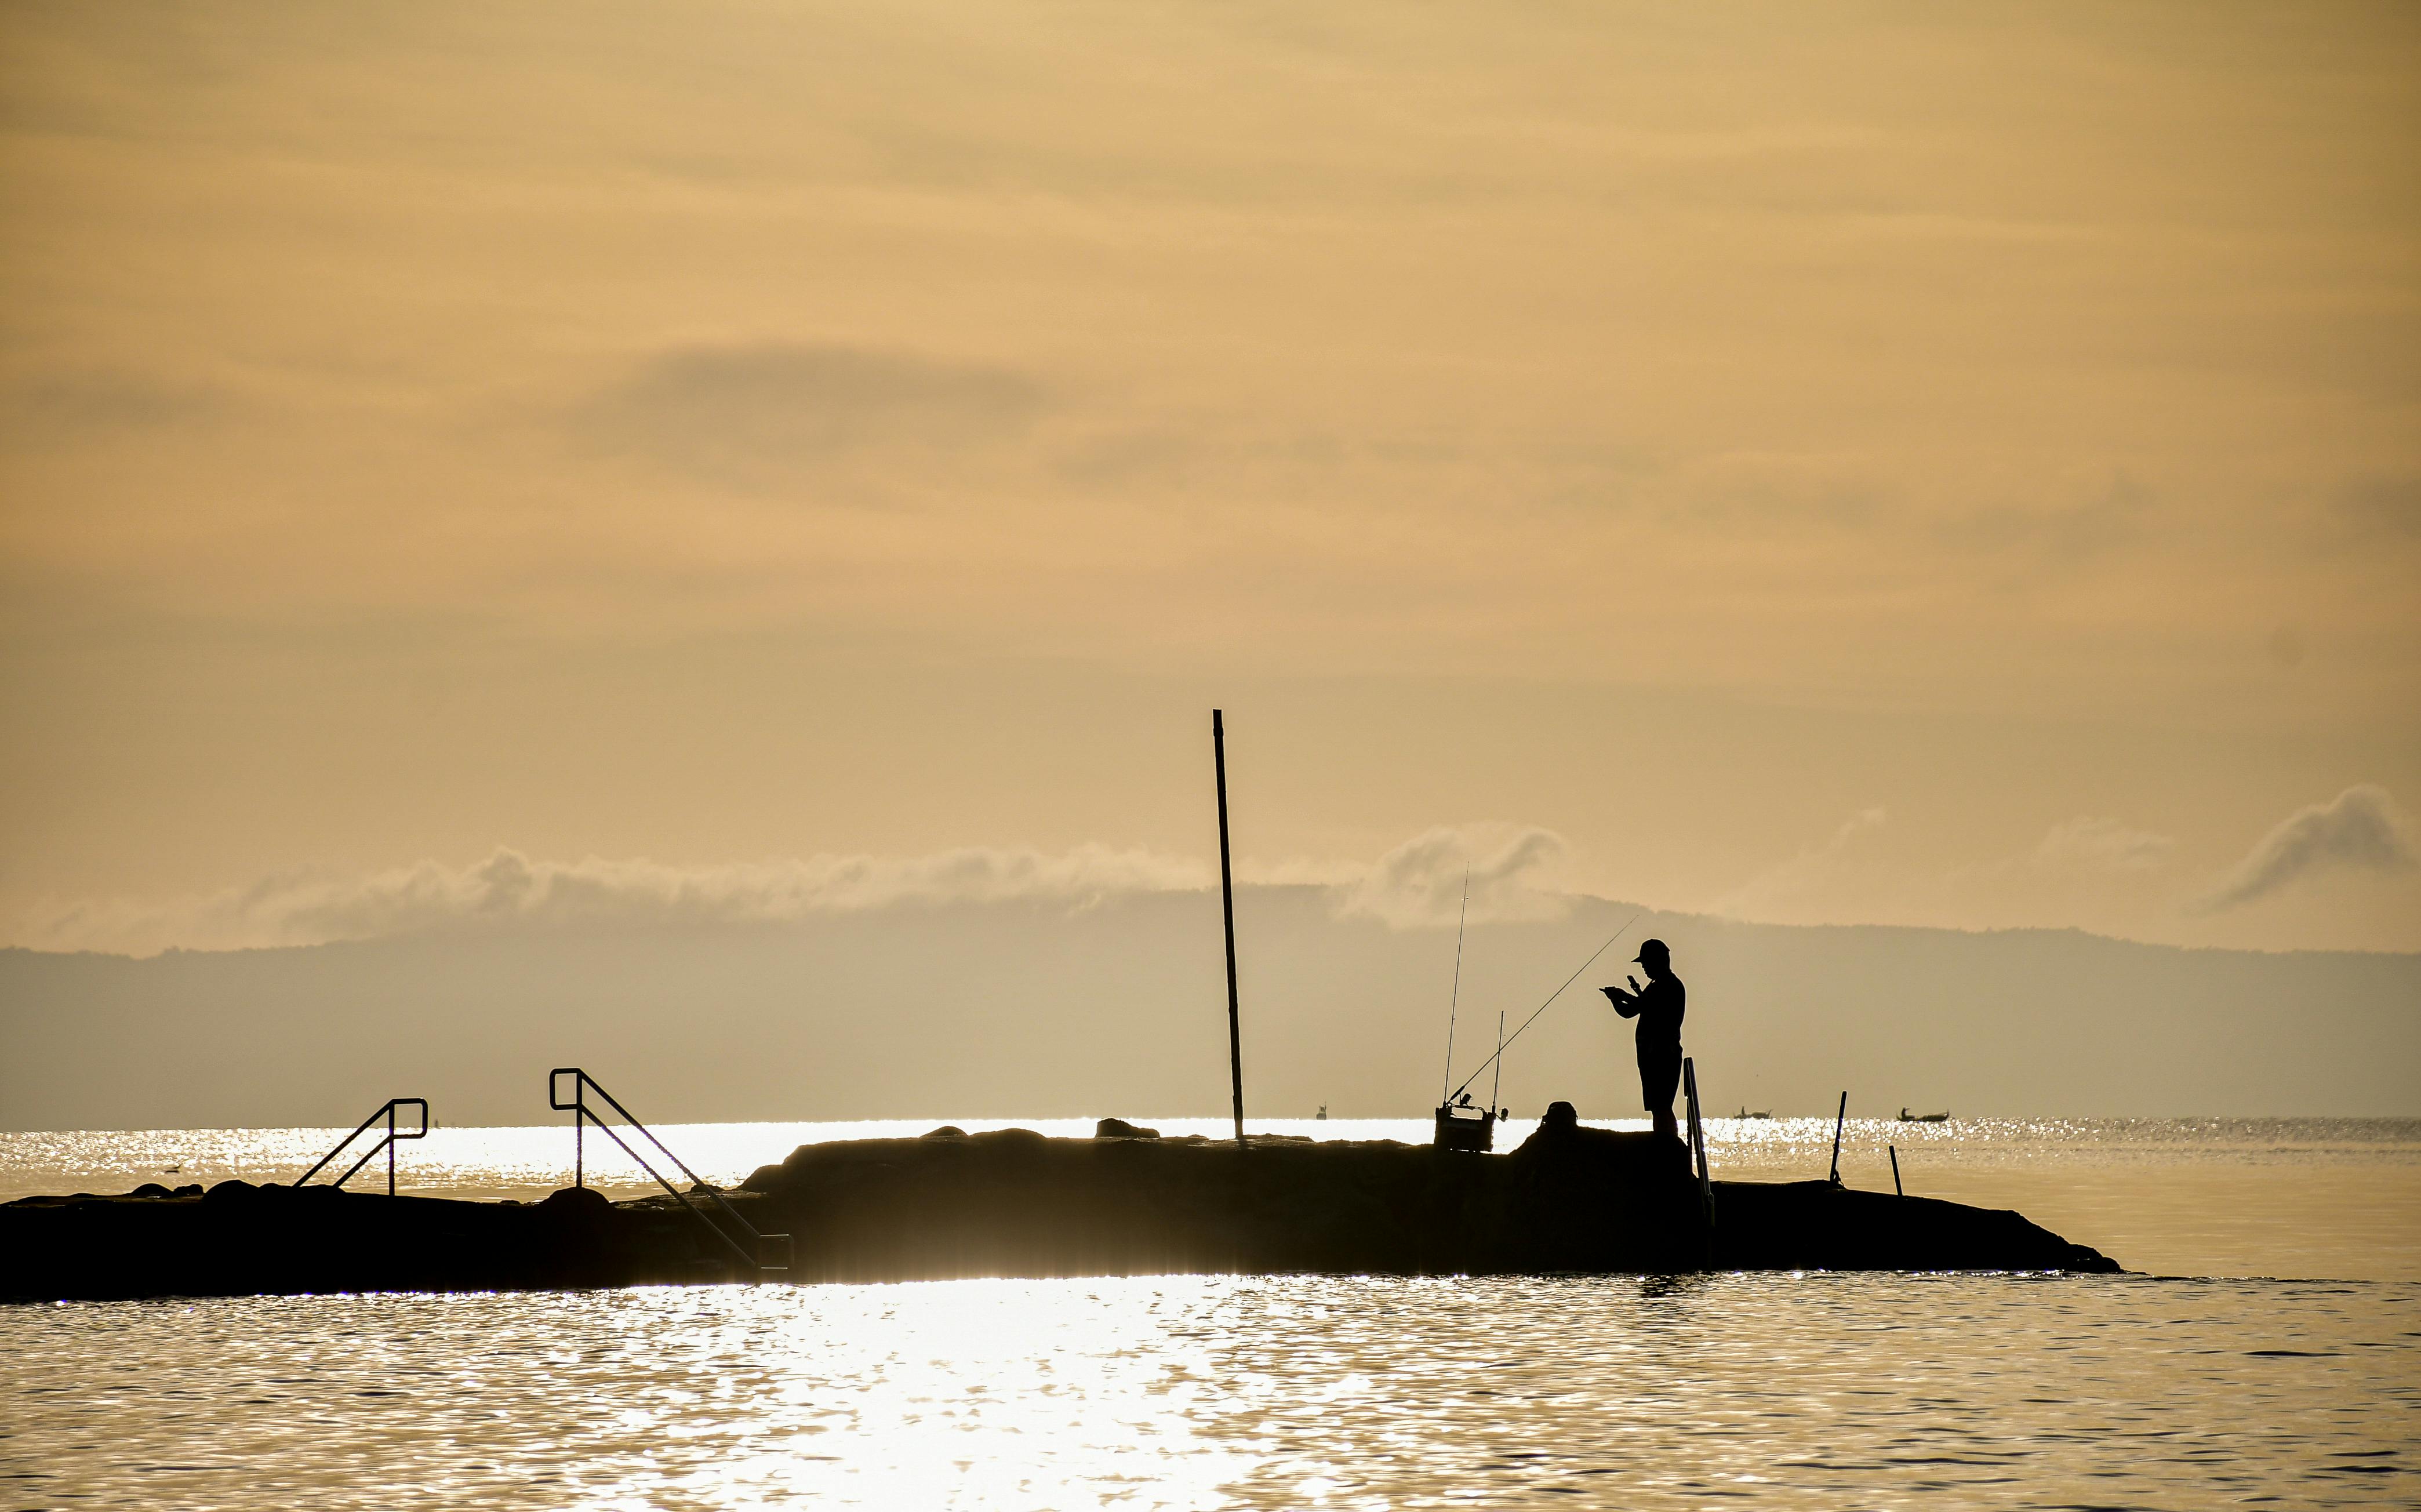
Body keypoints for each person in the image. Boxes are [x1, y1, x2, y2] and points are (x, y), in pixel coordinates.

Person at [1601, 938, 1686, 1141]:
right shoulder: (1657, 986)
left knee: (1662, 1107)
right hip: (1651, 1057)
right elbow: (1631, 1011)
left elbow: (1644, 1006)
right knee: (1659, 1108)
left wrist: (1622, 995)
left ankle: (1667, 1148)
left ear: (1659, 961)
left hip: (1662, 1055)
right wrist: (1615, 1000)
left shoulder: (1668, 986)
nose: (1645, 968)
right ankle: (1664, 1146)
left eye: (1646, 963)